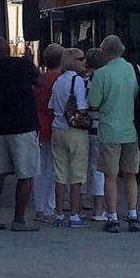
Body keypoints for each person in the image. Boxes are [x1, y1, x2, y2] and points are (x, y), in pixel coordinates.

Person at [0, 37, 42, 232]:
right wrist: (31, 61)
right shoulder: (23, 65)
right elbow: (40, 82)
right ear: (8, 49)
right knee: (25, 175)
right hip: (24, 127)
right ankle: (19, 220)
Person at [87, 35, 140, 234]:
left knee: (110, 176)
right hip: (130, 129)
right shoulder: (133, 69)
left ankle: (112, 217)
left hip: (109, 130)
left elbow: (93, 102)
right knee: (130, 175)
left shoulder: (101, 74)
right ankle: (133, 215)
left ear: (104, 52)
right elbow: (137, 93)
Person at [48, 48, 91, 228]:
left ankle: (58, 214)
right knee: (77, 174)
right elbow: (81, 107)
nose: (84, 62)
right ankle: (74, 215)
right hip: (75, 131)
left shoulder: (58, 81)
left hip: (57, 129)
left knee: (60, 173)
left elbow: (51, 105)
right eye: (81, 59)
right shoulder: (78, 81)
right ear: (73, 62)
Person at [32, 43, 63, 222]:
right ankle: (49, 206)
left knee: (39, 168)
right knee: (53, 168)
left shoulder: (40, 80)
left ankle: (39, 207)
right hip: (54, 125)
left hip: (38, 124)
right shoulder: (61, 80)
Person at [82, 48, 106, 221]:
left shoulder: (80, 80)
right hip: (99, 127)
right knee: (98, 169)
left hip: (82, 128)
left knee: (82, 167)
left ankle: (81, 202)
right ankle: (98, 208)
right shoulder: (102, 79)